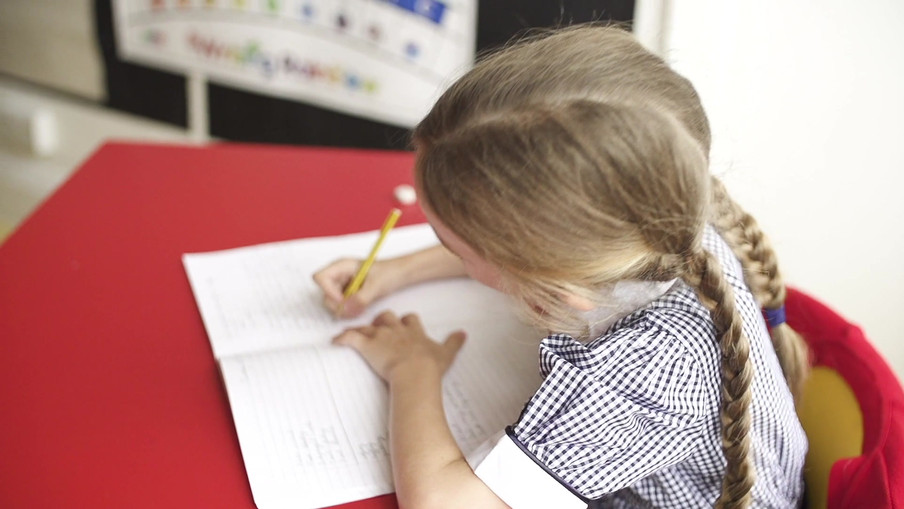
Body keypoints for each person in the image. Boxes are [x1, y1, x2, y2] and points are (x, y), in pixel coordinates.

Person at [313, 24, 809, 509]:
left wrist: (411, 369)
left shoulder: (651, 370)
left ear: (550, 284)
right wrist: (396, 272)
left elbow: (445, 503)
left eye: (453, 245)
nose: (444, 251)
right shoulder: (658, 213)